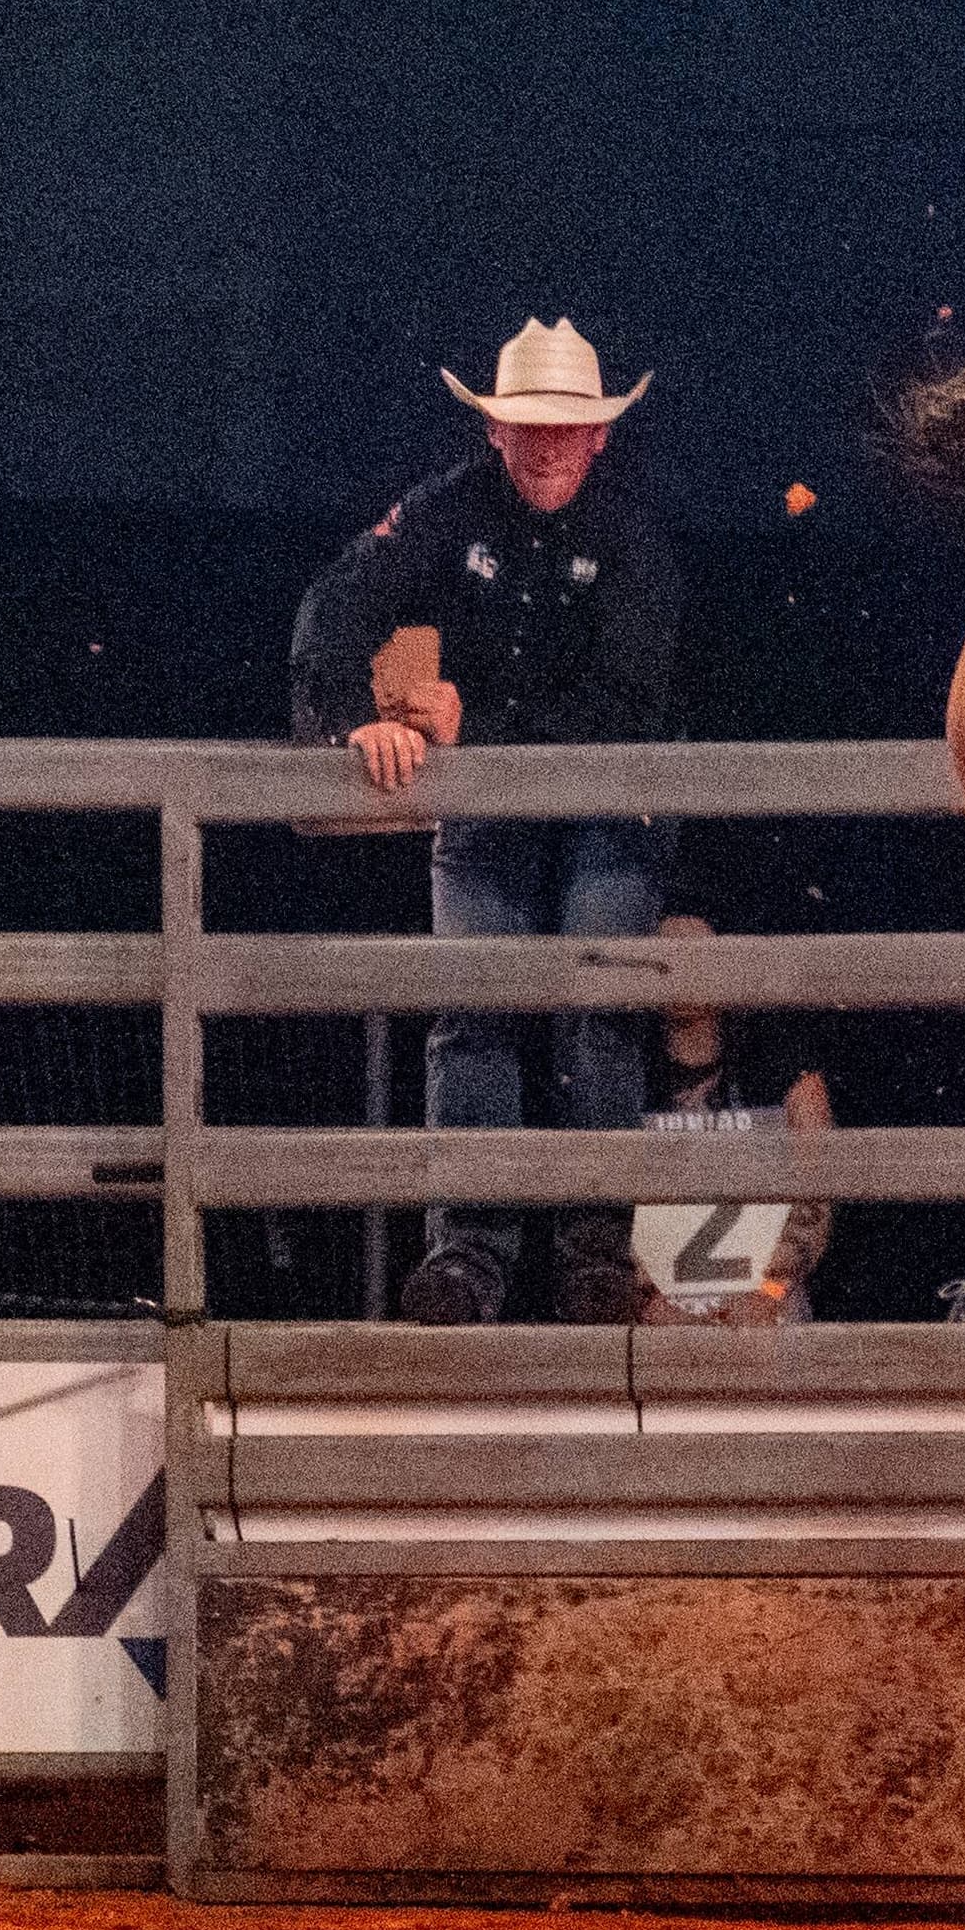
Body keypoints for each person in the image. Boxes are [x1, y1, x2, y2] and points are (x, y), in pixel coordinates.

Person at [289, 318, 679, 1324]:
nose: (547, 445)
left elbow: (625, 704)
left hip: (603, 803)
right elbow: (335, 608)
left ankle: (592, 1251)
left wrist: (476, 723)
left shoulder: (632, 532)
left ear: (599, 436)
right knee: (475, 1011)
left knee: (596, 1010)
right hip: (490, 801)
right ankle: (471, 1252)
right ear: (495, 432)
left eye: (566, 428)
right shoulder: (446, 510)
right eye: (525, 426)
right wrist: (354, 725)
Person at [633, 913, 833, 1326]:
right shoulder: (619, 1081)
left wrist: (768, 1292)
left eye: (698, 956)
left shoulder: (783, 1070)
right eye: (666, 956)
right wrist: (645, 1304)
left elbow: (817, 1196)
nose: (681, 970)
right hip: (660, 1319)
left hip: (766, 1313)